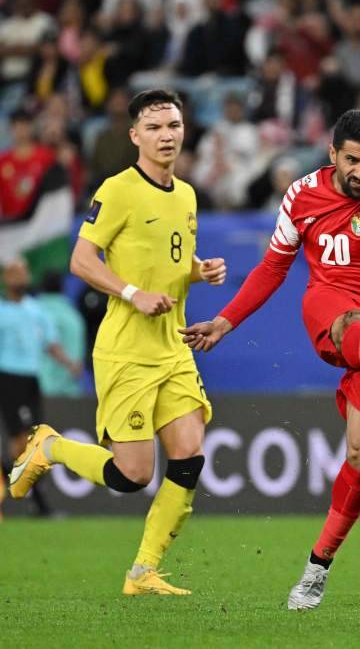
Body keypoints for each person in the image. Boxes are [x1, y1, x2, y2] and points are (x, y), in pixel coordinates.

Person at [178, 109, 360, 611]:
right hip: (332, 304)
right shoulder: (301, 196)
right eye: (353, 160)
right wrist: (224, 322)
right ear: (333, 153)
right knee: (345, 319)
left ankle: (317, 568)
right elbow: (272, 268)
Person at [8, 89, 227, 596]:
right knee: (132, 475)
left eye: (172, 124)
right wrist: (132, 293)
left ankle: (143, 571)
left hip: (172, 347)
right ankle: (50, 446)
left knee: (190, 455)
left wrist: (199, 271)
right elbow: (81, 260)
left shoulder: (189, 195)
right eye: (154, 128)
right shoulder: (119, 189)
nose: (166, 135)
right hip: (126, 350)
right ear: (135, 137)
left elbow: (170, 262)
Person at [0, 257, 81, 517]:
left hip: (32, 380)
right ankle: (38, 504)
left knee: (35, 442)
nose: (20, 277)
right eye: (14, 272)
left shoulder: (37, 311)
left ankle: (30, 498)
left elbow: (51, 344)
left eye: (23, 271)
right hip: (8, 378)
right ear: (5, 278)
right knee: (21, 444)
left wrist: (69, 363)